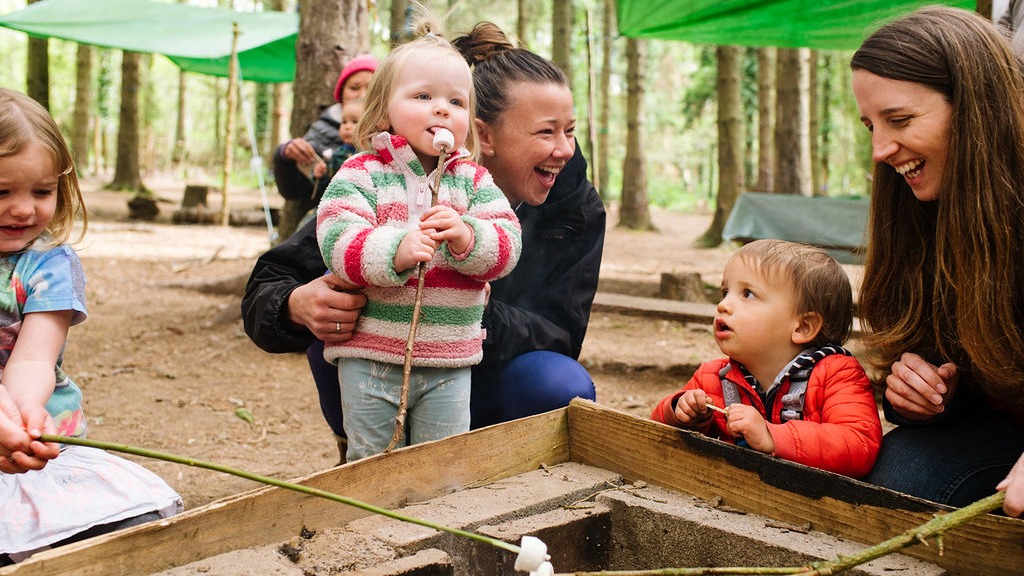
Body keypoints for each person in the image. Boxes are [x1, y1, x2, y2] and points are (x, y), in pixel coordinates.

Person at [242, 21, 604, 463]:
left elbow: (561, 336)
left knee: (561, 384)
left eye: (569, 131)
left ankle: (501, 466)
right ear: (482, 135)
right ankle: (363, 451)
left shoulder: (574, 207)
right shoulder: (383, 179)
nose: (564, 150)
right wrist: (296, 305)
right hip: (378, 362)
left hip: (480, 372)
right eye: (546, 132)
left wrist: (464, 306)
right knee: (332, 299)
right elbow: (271, 282)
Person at [315, 21, 522, 461]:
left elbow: (507, 245)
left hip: (451, 358)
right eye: (423, 97)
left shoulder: (474, 182)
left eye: (455, 101)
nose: (441, 110)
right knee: (371, 460)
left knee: (440, 464)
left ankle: (434, 528)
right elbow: (337, 237)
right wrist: (395, 250)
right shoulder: (360, 174)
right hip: (370, 354)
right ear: (385, 109)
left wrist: (469, 237)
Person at [850, 6, 1024, 516]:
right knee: (903, 473)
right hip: (1000, 434)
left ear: (978, 107)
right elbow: (941, 355)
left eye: (899, 120)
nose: (881, 150)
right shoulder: (920, 209)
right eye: (869, 127)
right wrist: (922, 395)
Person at [0, 88, 182, 564]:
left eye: (41, 192)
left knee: (121, 528)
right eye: (2, 192)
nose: (23, 209)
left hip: (34, 439)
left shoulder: (49, 264)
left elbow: (35, 356)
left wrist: (22, 415)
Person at [650, 240, 881, 477]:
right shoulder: (713, 377)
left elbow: (859, 445)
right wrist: (680, 412)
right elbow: (654, 433)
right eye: (725, 292)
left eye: (748, 294)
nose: (723, 305)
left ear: (802, 326)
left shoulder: (837, 375)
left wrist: (773, 436)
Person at [273, 54, 378, 240]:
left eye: (371, 87)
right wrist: (284, 156)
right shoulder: (323, 130)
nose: (363, 95)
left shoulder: (398, 131)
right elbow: (293, 191)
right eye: (354, 88)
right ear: (341, 94)